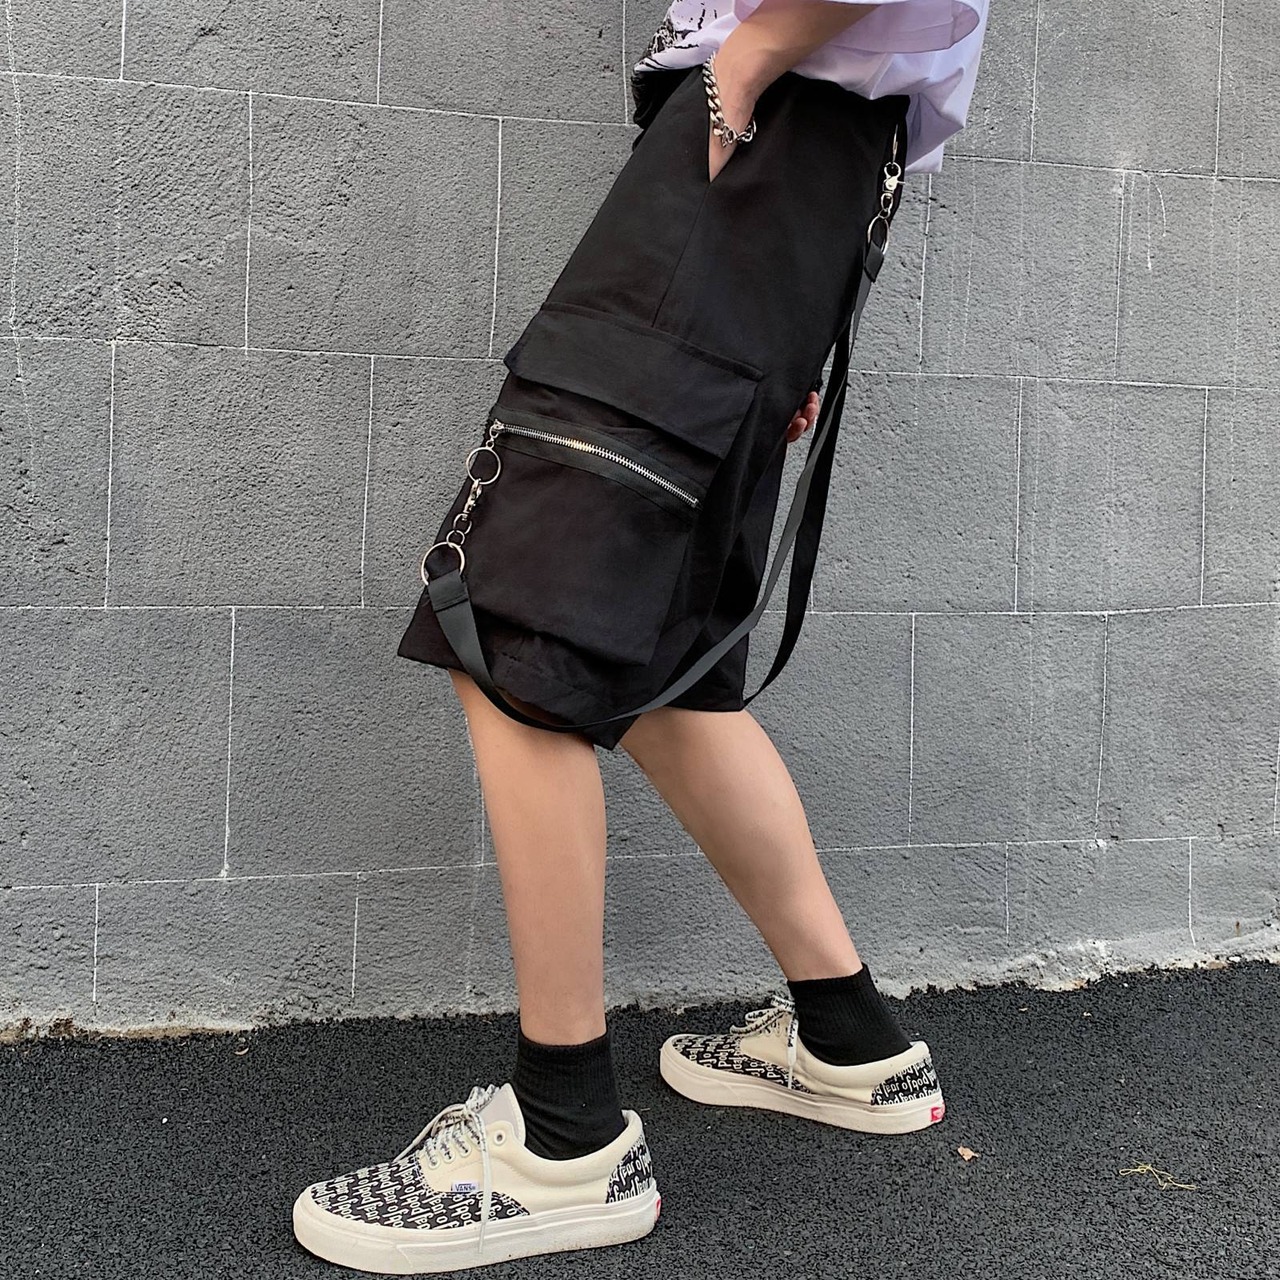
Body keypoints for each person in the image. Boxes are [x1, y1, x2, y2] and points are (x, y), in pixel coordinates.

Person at [292, 0, 989, 1272]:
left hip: (758, 139)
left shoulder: (756, 82)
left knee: (514, 620)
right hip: (810, 185)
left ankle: (561, 1143)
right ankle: (849, 1041)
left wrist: (746, 63)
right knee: (667, 672)